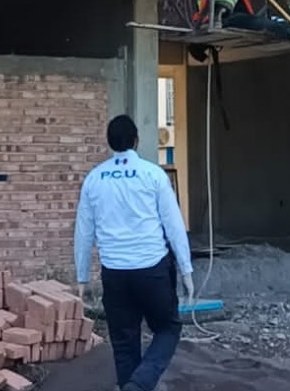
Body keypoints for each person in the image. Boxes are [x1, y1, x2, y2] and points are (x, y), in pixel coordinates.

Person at [74, 115, 194, 391]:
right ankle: (140, 385)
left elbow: (83, 232)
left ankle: (131, 385)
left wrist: (82, 277)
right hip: (151, 269)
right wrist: (186, 269)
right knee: (167, 329)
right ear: (137, 140)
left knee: (124, 342)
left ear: (109, 142)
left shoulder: (94, 179)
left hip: (114, 273)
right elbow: (173, 225)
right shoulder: (153, 174)